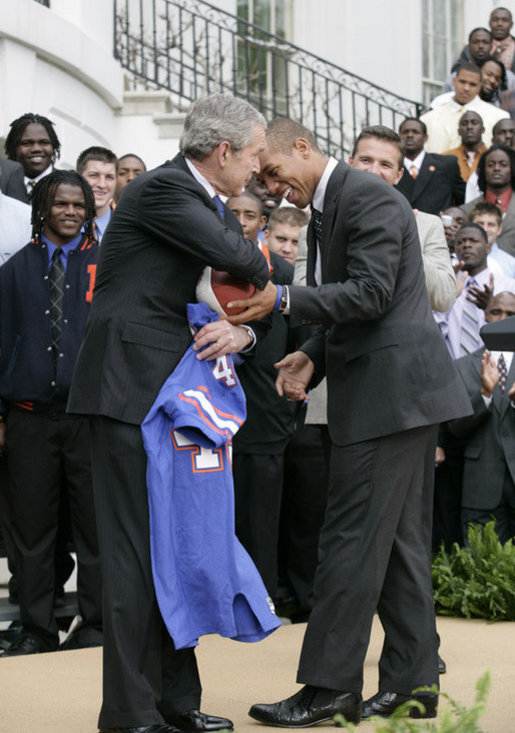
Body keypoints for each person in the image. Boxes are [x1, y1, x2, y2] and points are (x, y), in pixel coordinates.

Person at [226, 117, 471, 724]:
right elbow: (371, 310)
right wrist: (312, 355)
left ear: (303, 148)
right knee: (400, 546)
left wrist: (283, 300)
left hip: (391, 399)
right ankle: (414, 685)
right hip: (396, 395)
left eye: (276, 173)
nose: (276, 189)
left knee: (348, 541)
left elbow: (370, 294)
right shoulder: (334, 205)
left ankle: (329, 687)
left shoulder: (367, 197)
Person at [67, 93, 276, 733]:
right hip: (126, 392)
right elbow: (244, 261)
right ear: (223, 153)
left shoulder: (198, 201)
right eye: (255, 156)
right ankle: (129, 712)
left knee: (176, 547)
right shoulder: (162, 192)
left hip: (169, 400)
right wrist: (266, 279)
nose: (259, 171)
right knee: (134, 557)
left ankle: (175, 703)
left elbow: (237, 283)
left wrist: (248, 332)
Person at [0, 170, 102, 656]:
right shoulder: (14, 270)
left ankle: (97, 624)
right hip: (29, 418)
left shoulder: (108, 266)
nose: (70, 212)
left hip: (90, 419)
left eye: (78, 205)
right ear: (43, 207)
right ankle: (37, 630)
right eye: (60, 203)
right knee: (32, 530)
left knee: (95, 526)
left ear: (89, 210)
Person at [227, 190, 296, 599]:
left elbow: (302, 336)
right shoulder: (198, 268)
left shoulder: (281, 270)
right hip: (209, 416)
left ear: (261, 223)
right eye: (232, 213)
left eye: (249, 214)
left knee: (260, 520)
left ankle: (260, 601)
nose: (241, 220)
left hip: (265, 414)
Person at [352, 124, 457, 312]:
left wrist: (404, 237)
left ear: (398, 175)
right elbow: (308, 297)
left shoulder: (426, 225)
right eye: (366, 160)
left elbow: (443, 298)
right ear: (350, 163)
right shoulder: (321, 220)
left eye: (385, 164)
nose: (374, 171)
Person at [448, 291, 515, 544]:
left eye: (511, 314)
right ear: (485, 316)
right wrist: (485, 396)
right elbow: (455, 427)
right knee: (480, 571)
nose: (502, 319)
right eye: (496, 312)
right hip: (481, 487)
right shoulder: (462, 366)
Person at [434, 223, 515, 360]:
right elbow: (433, 333)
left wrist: (490, 308)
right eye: (460, 242)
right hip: (452, 370)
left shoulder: (509, 286)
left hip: (497, 370)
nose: (466, 245)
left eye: (473, 241)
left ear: (488, 248)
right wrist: (448, 297)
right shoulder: (444, 285)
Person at [420, 63, 509, 153]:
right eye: (462, 82)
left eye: (472, 84)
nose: (466, 88)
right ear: (454, 81)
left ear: (480, 86)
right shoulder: (429, 119)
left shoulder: (498, 118)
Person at [395, 118, 464, 215]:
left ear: (425, 137)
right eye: (405, 132)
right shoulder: (391, 167)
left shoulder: (446, 165)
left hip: (437, 226)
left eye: (415, 132)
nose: (410, 135)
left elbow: (463, 197)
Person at [461, 144, 515, 256]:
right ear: (483, 170)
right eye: (490, 165)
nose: (496, 168)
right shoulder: (465, 211)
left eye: (503, 164)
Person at [4, 113, 61, 201]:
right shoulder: (2, 183)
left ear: (53, 146)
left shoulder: (70, 185)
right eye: (27, 143)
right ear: (13, 148)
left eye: (44, 142)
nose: (36, 149)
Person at [76, 146, 117, 242]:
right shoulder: (57, 227)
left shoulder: (126, 229)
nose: (102, 185)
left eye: (109, 177)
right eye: (94, 175)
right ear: (78, 177)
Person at [470, 201, 515, 278]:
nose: (485, 229)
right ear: (470, 226)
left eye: (491, 224)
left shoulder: (512, 264)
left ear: (499, 229)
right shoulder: (458, 260)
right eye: (480, 223)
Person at [442, 111, 486, 183]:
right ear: (459, 131)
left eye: (474, 123)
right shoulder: (445, 158)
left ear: (483, 129)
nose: (469, 127)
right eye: (464, 124)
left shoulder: (492, 157)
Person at [490, 7, 515, 72]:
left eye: (505, 20)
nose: (499, 24)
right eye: (495, 20)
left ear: (511, 24)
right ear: (489, 23)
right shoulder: (477, 45)